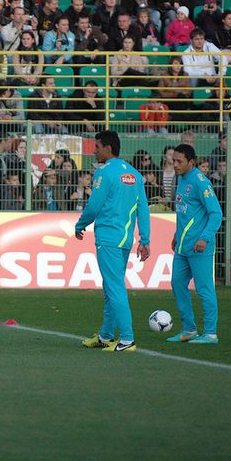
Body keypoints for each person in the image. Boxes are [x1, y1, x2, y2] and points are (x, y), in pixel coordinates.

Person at [76, 131, 150, 352]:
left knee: (114, 287)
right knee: (111, 285)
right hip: (125, 239)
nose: (94, 151)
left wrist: (80, 224)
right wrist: (144, 239)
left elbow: (94, 205)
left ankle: (127, 339)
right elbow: (143, 209)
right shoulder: (135, 175)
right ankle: (106, 335)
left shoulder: (104, 172)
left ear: (108, 148)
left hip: (108, 238)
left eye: (97, 147)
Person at [168, 144, 223, 344]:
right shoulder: (181, 178)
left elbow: (216, 213)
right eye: (173, 160)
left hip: (200, 246)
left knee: (204, 289)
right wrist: (177, 235)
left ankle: (210, 333)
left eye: (179, 161)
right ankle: (189, 329)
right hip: (183, 246)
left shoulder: (201, 182)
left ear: (191, 162)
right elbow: (186, 212)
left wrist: (204, 237)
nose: (175, 165)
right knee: (177, 283)